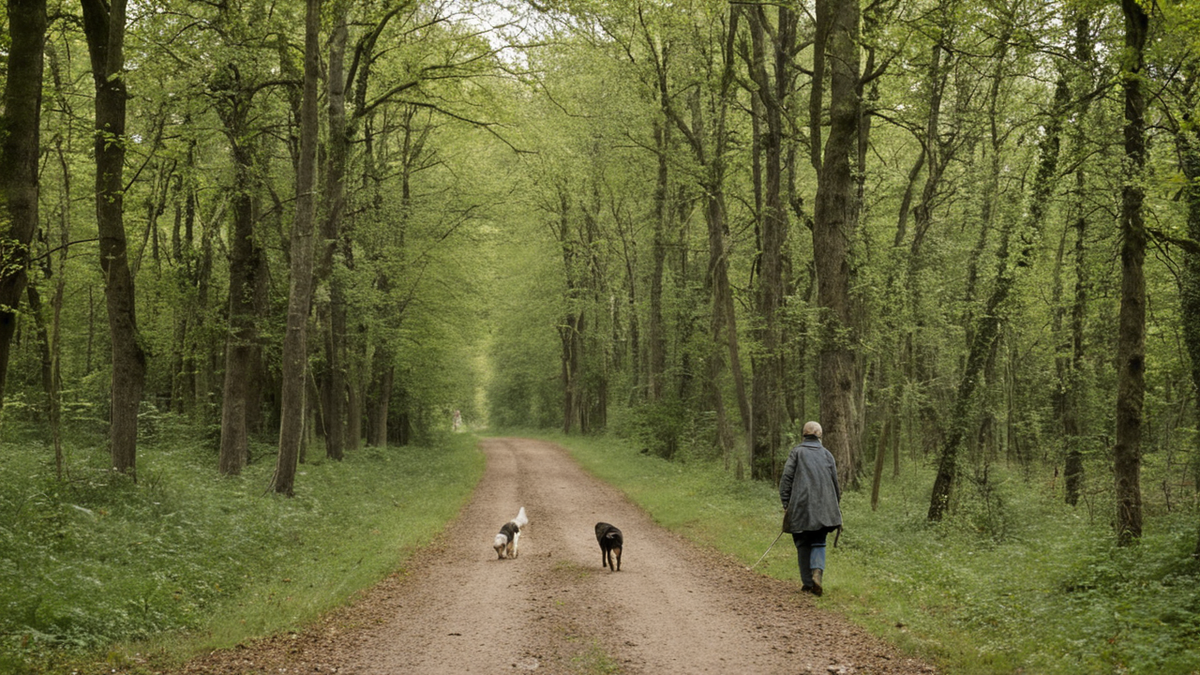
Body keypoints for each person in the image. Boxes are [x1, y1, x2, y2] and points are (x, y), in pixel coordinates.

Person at [779, 421, 842, 596]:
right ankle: (817, 573)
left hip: (800, 507)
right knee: (819, 541)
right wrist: (834, 506)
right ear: (819, 435)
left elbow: (786, 479)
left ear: (804, 434)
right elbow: (835, 484)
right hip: (824, 508)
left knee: (802, 542)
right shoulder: (827, 455)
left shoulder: (797, 452)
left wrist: (786, 503)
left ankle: (807, 584)